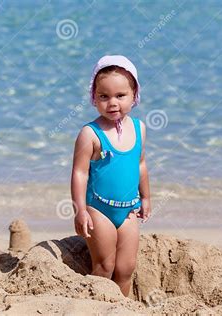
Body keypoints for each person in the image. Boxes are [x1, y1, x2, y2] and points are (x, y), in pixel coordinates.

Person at [70, 55, 151, 297]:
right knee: (105, 267)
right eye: (104, 96)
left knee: (126, 269)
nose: (112, 103)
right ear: (93, 97)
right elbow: (79, 172)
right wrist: (80, 209)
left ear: (134, 94)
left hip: (128, 211)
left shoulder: (139, 129)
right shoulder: (90, 133)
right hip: (99, 210)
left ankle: (120, 307)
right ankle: (94, 305)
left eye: (120, 96)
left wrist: (146, 197)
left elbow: (141, 164)